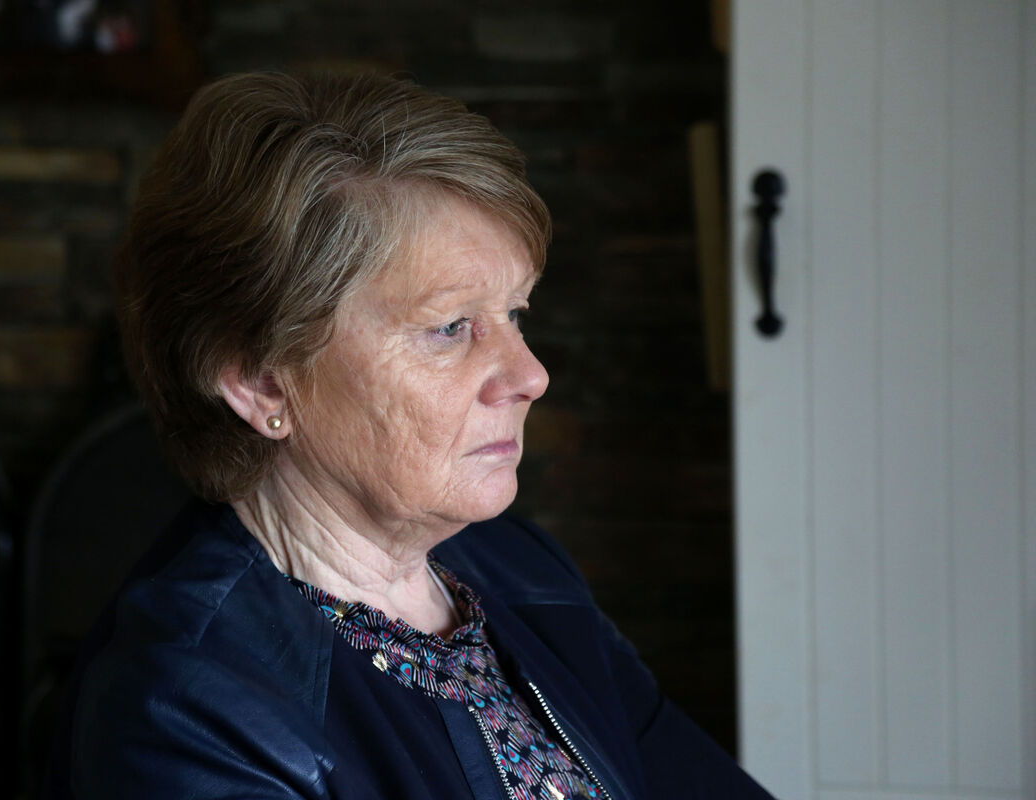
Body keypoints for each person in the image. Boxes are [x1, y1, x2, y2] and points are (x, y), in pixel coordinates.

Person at [44, 70, 774, 800]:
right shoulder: (184, 710)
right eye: (451, 327)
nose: (530, 375)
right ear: (261, 380)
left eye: (515, 314)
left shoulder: (519, 569)